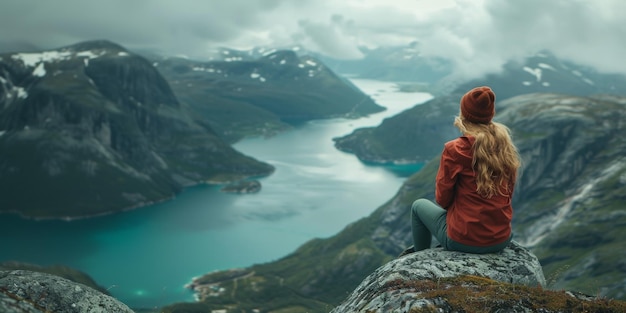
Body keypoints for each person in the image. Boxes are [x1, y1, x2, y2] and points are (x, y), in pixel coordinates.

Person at [400, 86, 521, 256]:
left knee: (418, 206)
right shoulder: (504, 146)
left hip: (463, 241)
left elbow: (442, 199)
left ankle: (420, 257)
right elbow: (508, 193)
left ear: (464, 114)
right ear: (490, 114)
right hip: (501, 239)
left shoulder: (456, 149)